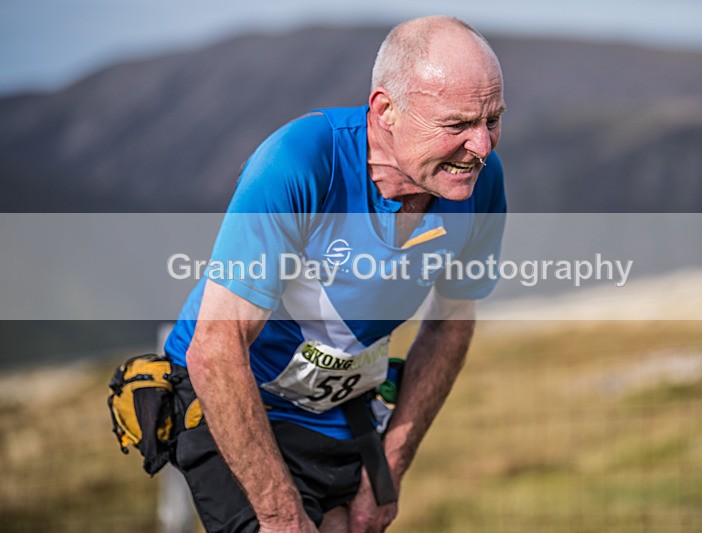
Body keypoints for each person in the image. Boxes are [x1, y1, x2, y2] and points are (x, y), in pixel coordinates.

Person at [164, 15, 506, 533]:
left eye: (493, 119)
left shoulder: (481, 182)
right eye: (457, 125)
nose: (482, 146)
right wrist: (282, 518)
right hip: (237, 391)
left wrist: (388, 473)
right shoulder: (298, 163)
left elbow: (450, 323)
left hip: (343, 405)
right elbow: (215, 349)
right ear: (386, 111)